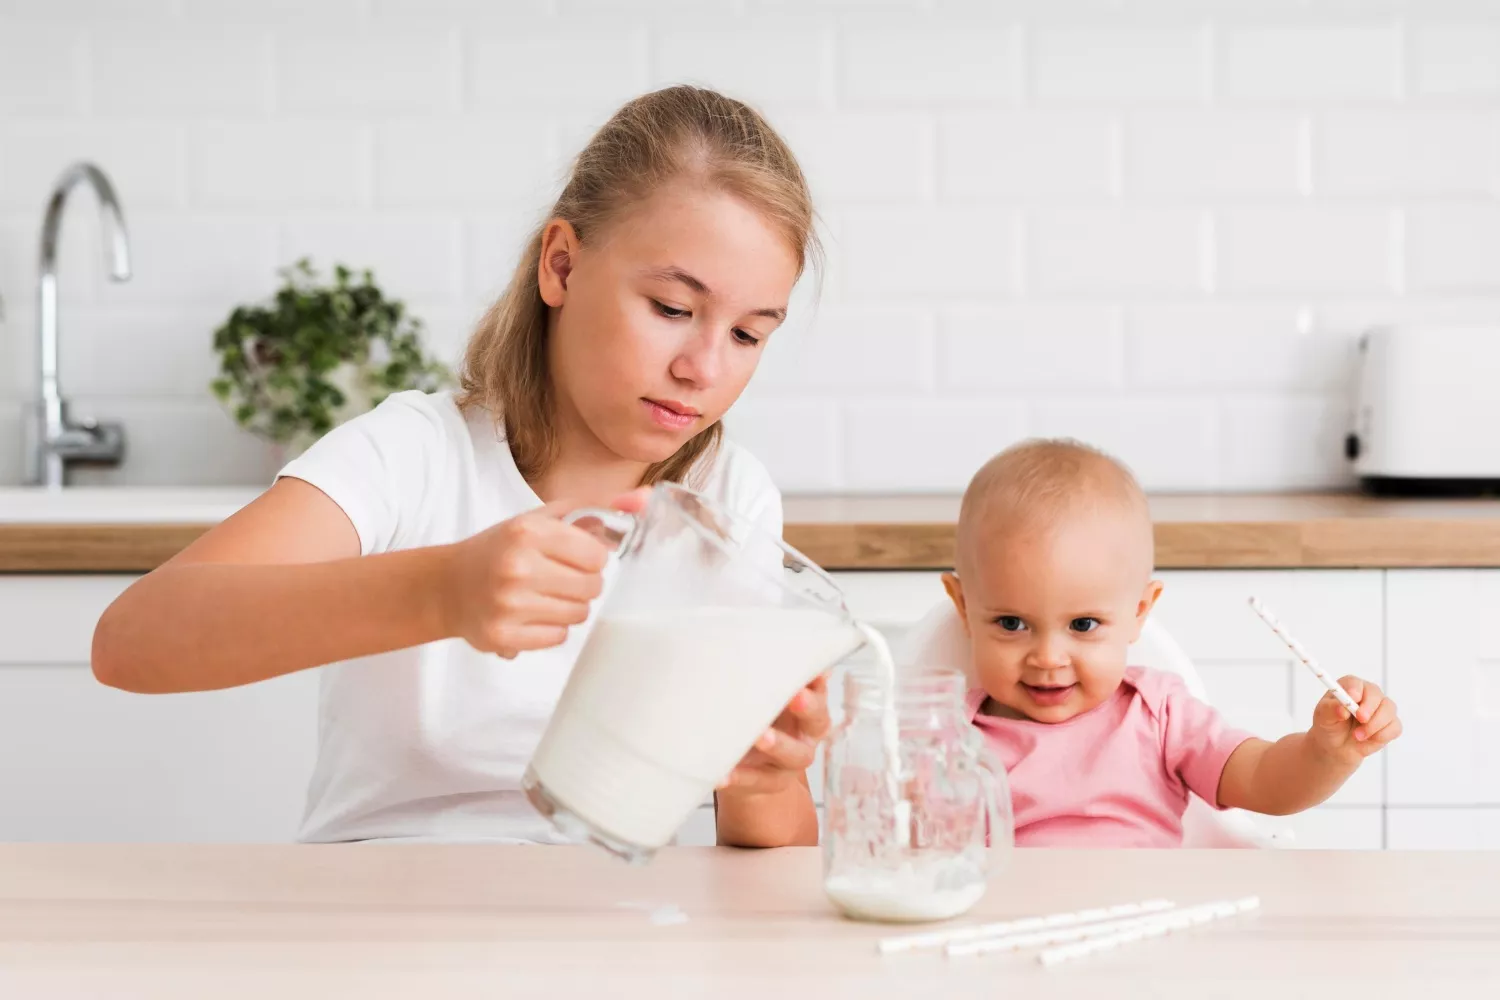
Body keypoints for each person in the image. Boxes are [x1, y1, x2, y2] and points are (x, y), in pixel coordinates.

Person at [92, 85, 827, 848]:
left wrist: (765, 779)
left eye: (748, 335)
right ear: (562, 267)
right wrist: (442, 590)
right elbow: (131, 641)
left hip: (619, 933)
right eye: (672, 309)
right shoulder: (414, 454)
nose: (703, 368)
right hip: (386, 923)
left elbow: (768, 863)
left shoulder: (729, 500)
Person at [939, 438, 1403, 847]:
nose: (1048, 657)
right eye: (1012, 624)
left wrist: (1325, 753)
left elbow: (1265, 782)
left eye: (1082, 625)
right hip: (1011, 930)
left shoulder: (1159, 715)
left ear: (1140, 610)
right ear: (963, 607)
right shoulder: (948, 739)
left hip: (1147, 923)